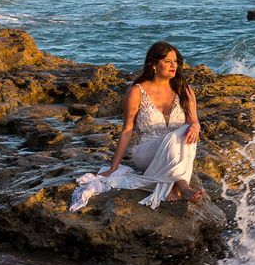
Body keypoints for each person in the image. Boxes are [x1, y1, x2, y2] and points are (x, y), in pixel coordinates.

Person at [69, 42, 203, 211]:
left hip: (177, 150)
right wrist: (114, 167)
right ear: (154, 65)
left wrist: (195, 126)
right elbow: (127, 130)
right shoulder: (137, 91)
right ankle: (182, 187)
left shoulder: (184, 90)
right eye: (168, 61)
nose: (173, 65)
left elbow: (194, 121)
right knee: (177, 137)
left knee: (187, 131)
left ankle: (180, 186)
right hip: (146, 151)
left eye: (175, 61)